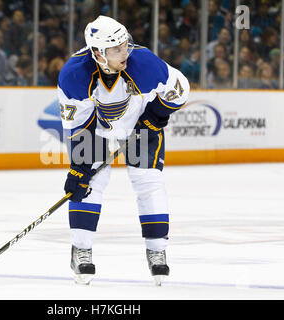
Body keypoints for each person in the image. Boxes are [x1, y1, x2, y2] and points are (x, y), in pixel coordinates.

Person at [57, 16, 190, 286]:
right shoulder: (74, 76)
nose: (124, 52)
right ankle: (81, 249)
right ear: (97, 53)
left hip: (141, 123)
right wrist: (80, 167)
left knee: (149, 181)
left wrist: (155, 116)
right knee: (90, 182)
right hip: (98, 129)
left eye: (124, 45)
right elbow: (79, 125)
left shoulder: (145, 64)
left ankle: (157, 251)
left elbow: (181, 90)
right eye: (116, 49)